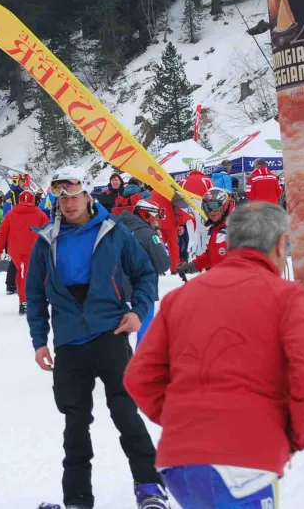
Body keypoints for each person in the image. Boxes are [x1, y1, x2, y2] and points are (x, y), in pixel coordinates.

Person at [125, 203, 304, 509]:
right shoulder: (287, 296)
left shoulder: (180, 298)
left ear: (231, 241)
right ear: (280, 243)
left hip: (181, 463)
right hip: (245, 459)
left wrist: (182, 420)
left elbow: (138, 376)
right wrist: (292, 439)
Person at [27, 168, 165, 509]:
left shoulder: (113, 232)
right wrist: (39, 340)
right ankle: (77, 498)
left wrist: (139, 310)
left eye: (75, 196)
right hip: (70, 341)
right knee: (75, 423)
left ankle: (150, 487)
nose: (69, 204)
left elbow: (144, 273)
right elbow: (35, 294)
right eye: (62, 198)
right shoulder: (46, 240)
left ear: (88, 196)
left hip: (110, 333)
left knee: (124, 411)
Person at [116, 200, 170, 346]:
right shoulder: (148, 234)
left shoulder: (116, 229)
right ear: (148, 215)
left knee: (117, 338)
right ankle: (141, 366)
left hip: (116, 291)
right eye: (157, 217)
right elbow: (163, 264)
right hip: (144, 290)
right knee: (145, 336)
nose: (157, 221)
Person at [0, 189, 49, 313]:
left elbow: (2, 232)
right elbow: (48, 232)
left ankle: (24, 301)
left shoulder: (11, 214)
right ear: (33, 200)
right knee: (36, 274)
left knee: (22, 273)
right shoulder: (40, 214)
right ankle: (33, 300)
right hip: (35, 249)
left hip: (16, 250)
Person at [179, 188, 235, 279]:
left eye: (215, 206)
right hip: (219, 281)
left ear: (224, 206)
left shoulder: (237, 226)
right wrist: (191, 267)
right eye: (207, 208)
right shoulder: (214, 229)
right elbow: (211, 256)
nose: (211, 212)